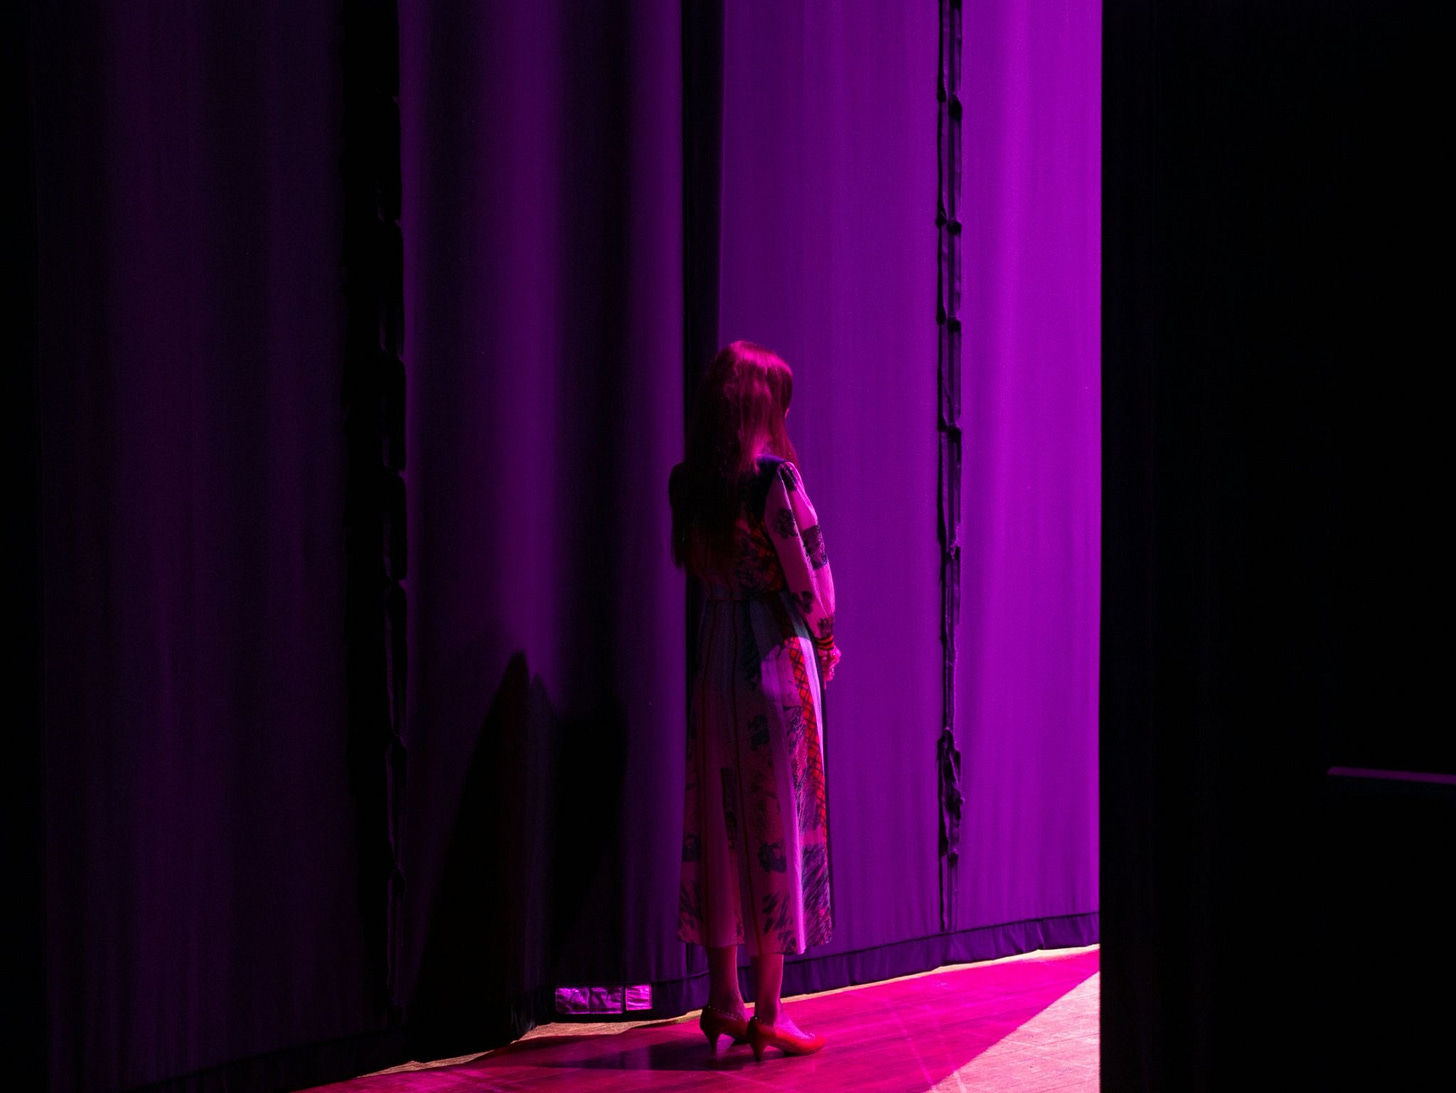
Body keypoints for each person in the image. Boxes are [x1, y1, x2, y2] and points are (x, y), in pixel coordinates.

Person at [668, 340, 841, 1061]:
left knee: (719, 822)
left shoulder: (687, 483)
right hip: (771, 653)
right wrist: (826, 637)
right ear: (756, 406)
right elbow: (811, 569)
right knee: (777, 818)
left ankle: (721, 999)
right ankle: (768, 1008)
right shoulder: (775, 479)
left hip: (714, 658)